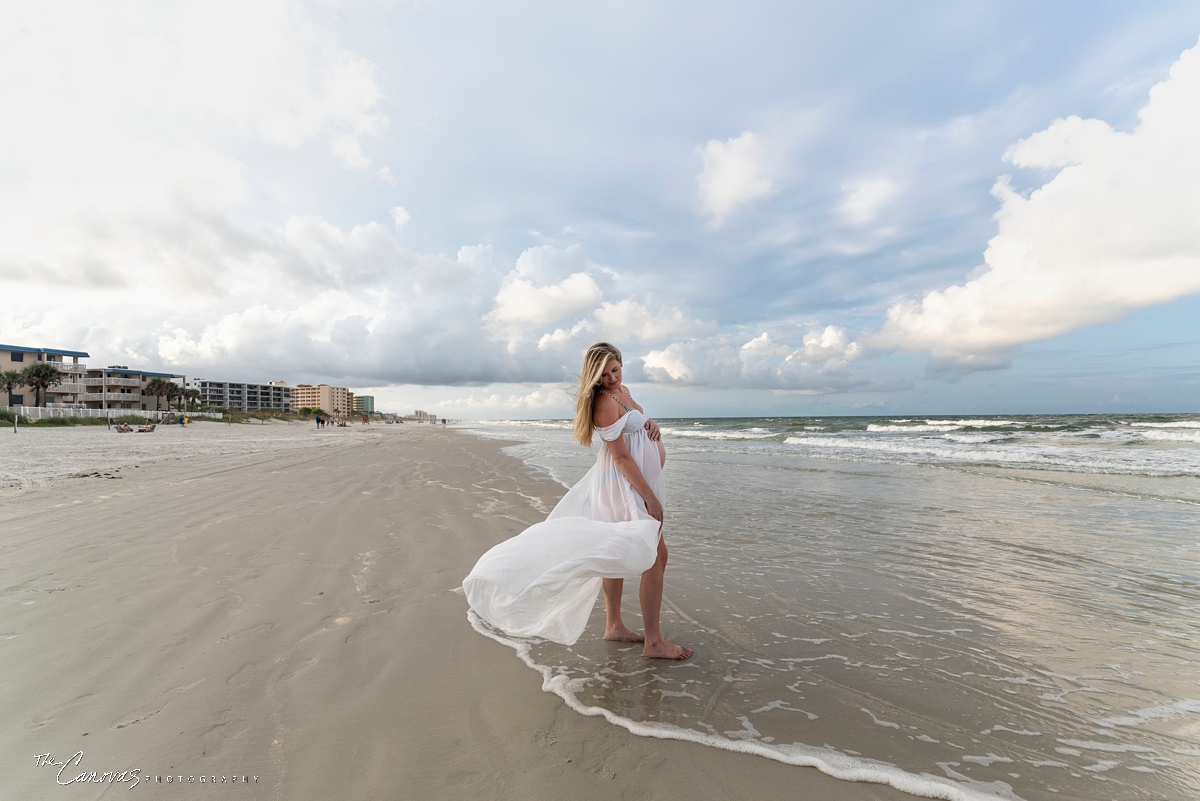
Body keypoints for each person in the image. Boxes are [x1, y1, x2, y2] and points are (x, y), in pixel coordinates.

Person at [464, 342, 691, 659]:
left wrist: (651, 424)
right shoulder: (603, 401)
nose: (612, 377)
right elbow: (623, 458)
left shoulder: (622, 390)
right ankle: (653, 642)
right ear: (594, 376)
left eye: (615, 369)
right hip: (624, 486)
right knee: (655, 557)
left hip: (633, 483)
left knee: (616, 550)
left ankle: (614, 626)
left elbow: (635, 426)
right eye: (605, 374)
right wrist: (649, 497)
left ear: (622, 364)